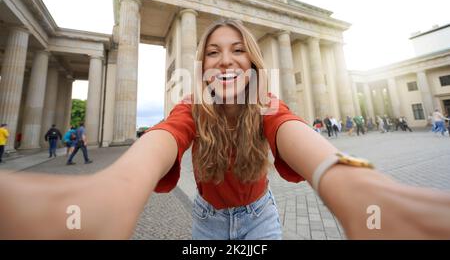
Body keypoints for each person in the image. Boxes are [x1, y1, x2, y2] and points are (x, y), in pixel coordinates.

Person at [0, 19, 450, 240]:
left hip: (261, 220)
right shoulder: (192, 106)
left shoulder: (266, 104)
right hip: (207, 225)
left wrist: (358, 185)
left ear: (252, 61)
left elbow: (296, 134)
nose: (225, 59)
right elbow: (162, 139)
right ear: (201, 66)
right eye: (212, 52)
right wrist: (112, 190)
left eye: (237, 50)